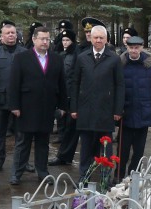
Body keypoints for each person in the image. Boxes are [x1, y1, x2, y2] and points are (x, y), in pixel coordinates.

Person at [8, 27, 68, 184]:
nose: (45, 42)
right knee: (23, 143)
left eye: (47, 39)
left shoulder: (56, 59)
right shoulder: (21, 58)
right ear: (34, 39)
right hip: (26, 107)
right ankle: (17, 173)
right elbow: (14, 83)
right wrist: (14, 105)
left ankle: (42, 171)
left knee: (43, 142)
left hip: (47, 108)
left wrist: (62, 106)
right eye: (42, 39)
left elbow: (62, 84)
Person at [71, 25, 124, 180]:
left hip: (105, 111)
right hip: (85, 110)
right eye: (96, 37)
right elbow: (75, 83)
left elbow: (120, 85)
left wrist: (117, 110)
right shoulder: (82, 57)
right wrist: (73, 107)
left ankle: (105, 178)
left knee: (106, 148)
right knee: (86, 146)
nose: (99, 40)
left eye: (102, 37)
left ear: (106, 39)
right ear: (91, 38)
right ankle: (84, 177)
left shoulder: (114, 58)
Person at [0, 22, 26, 172]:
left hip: (20, 100)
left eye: (13, 33)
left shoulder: (24, 52)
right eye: (7, 33)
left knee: (22, 133)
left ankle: (22, 162)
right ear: (1, 37)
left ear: (17, 35)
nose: (10, 35)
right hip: (1, 98)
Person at [118, 36, 151, 179]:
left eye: (137, 48)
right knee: (122, 150)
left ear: (142, 47)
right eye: (131, 48)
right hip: (125, 113)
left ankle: (133, 177)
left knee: (138, 151)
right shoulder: (121, 65)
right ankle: (118, 176)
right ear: (127, 48)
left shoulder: (149, 66)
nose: (134, 50)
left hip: (144, 113)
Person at [49, 29, 79, 166]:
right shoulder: (62, 54)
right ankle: (64, 155)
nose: (65, 42)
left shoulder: (77, 53)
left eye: (68, 40)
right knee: (68, 127)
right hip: (65, 93)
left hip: (76, 94)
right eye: (63, 40)